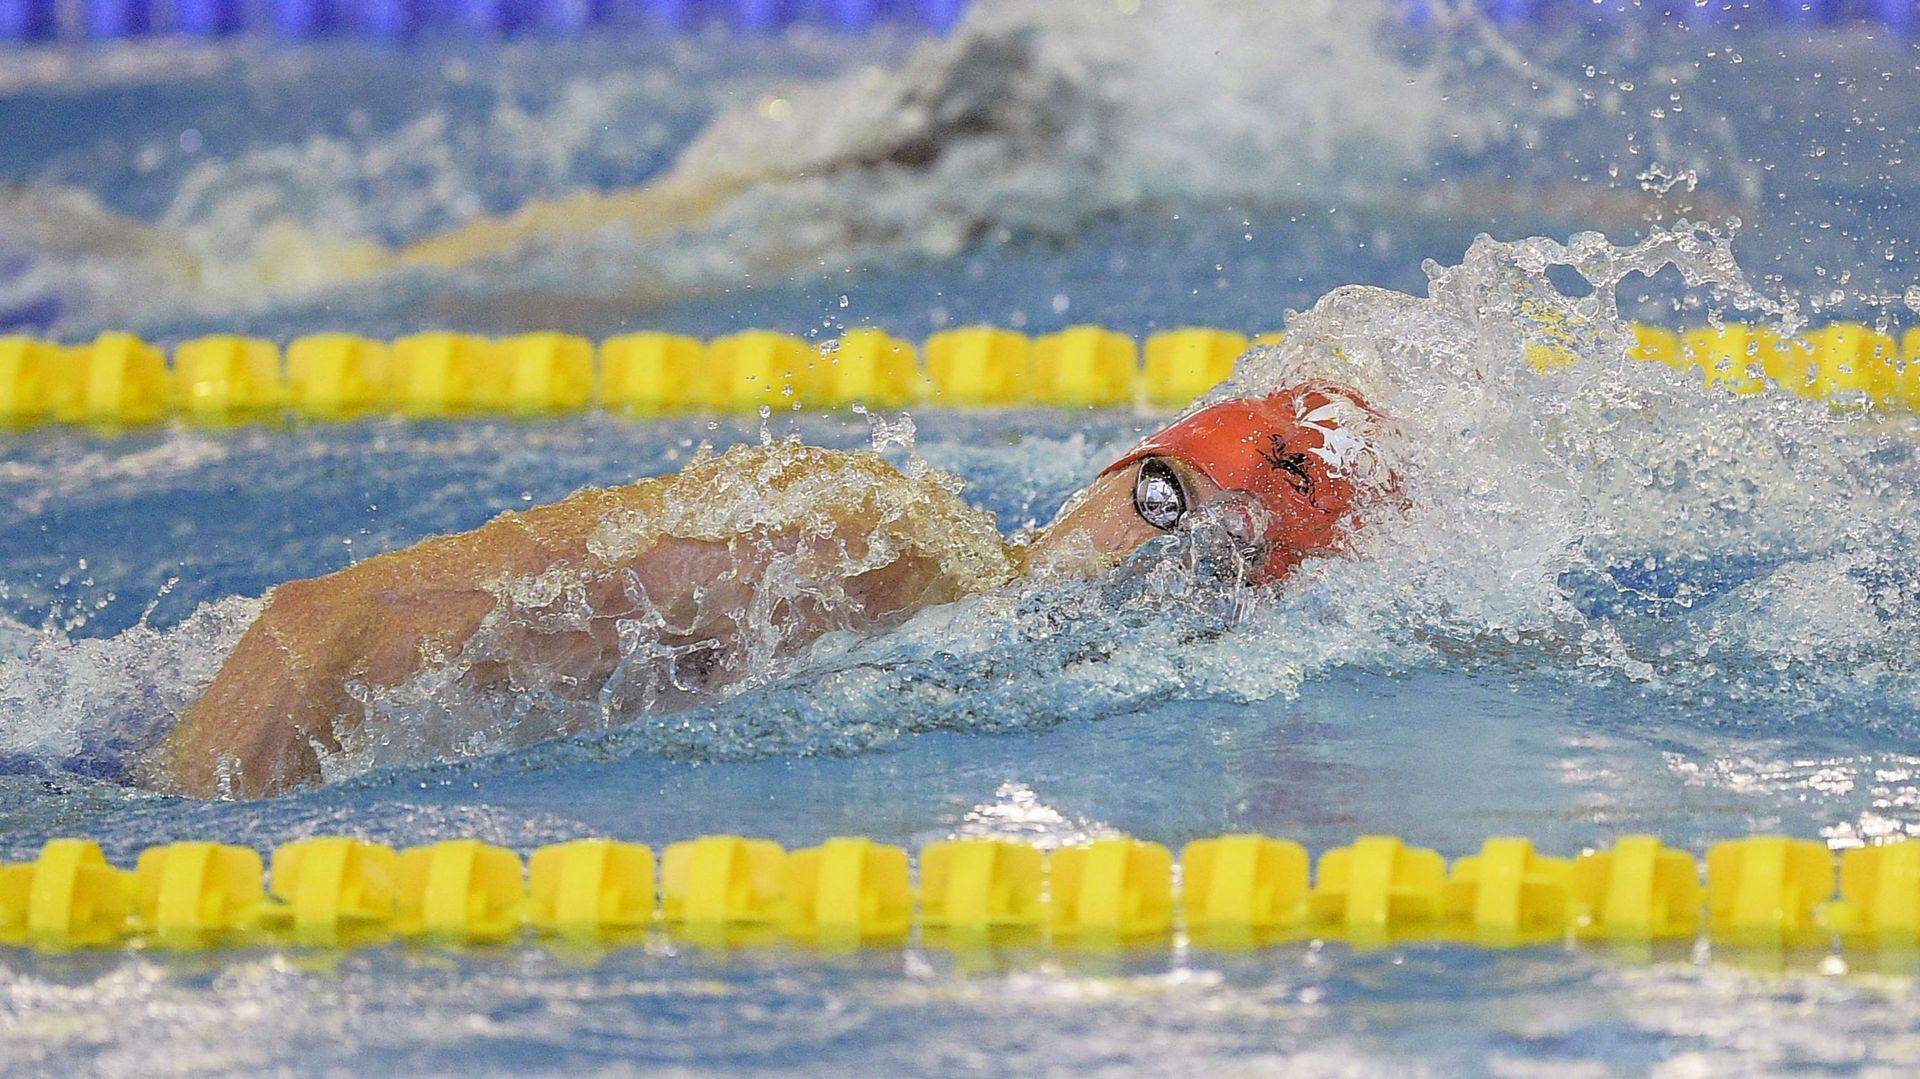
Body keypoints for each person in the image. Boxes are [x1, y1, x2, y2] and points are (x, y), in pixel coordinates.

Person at [151, 382, 1385, 799]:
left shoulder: (964, 675)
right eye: (1160, 499)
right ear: (1115, 475)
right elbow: (319, 633)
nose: (1142, 552)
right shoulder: (867, 542)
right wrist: (170, 853)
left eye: (1214, 557)